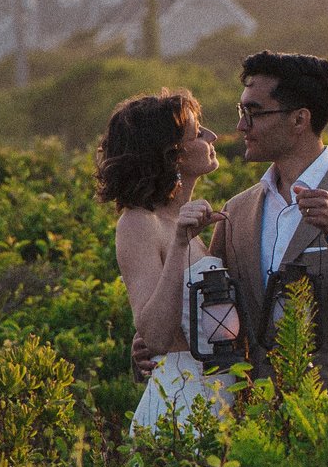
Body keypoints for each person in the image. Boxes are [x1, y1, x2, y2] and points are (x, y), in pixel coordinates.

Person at [131, 52, 328, 400]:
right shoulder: (238, 211)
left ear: (299, 120)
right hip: (251, 424)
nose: (240, 127)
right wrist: (155, 346)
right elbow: (211, 308)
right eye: (241, 111)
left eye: (254, 113)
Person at [98, 90, 235, 431]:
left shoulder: (189, 226)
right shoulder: (139, 223)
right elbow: (156, 336)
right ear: (172, 155)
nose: (211, 137)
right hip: (180, 400)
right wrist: (178, 245)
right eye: (198, 132)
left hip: (221, 394)